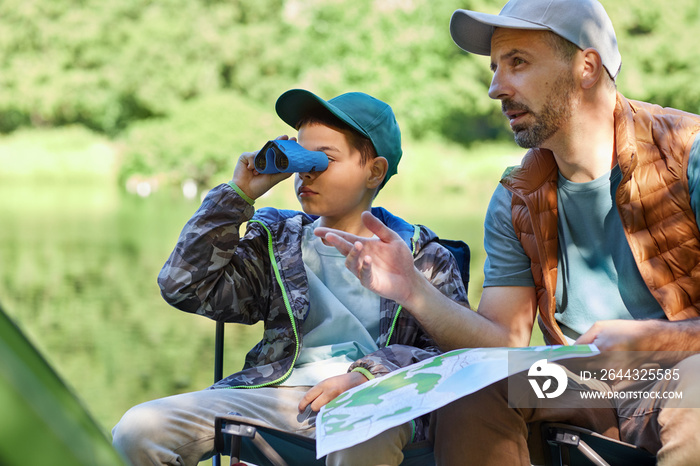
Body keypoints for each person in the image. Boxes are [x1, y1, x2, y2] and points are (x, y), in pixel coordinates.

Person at [314, 0, 700, 464]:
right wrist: (413, 289)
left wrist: (654, 340)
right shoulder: (517, 196)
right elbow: (503, 343)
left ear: (587, 66)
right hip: (581, 385)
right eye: (495, 67)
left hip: (681, 373)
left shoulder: (687, 154)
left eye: (517, 62)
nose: (496, 87)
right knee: (476, 385)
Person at [111, 88, 470, 466]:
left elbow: (454, 358)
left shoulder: (423, 256)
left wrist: (370, 374)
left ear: (374, 171)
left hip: (377, 399)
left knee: (360, 429)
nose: (305, 172)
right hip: (279, 397)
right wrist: (238, 195)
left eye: (324, 159)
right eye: (302, 156)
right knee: (138, 431)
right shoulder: (277, 241)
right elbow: (182, 286)